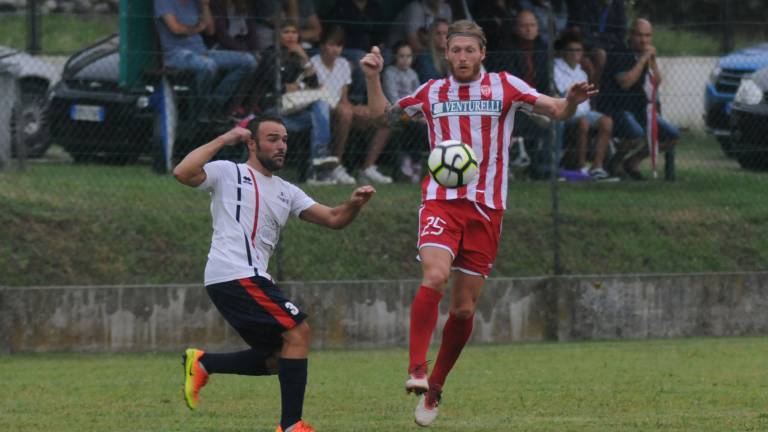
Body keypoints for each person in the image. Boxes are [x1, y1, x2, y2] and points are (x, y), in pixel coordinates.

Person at [359, 19, 596, 426]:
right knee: (434, 276)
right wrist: (373, 77)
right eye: (456, 51)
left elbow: (556, 110)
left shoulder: (505, 87)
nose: (463, 57)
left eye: (470, 50)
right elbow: (384, 117)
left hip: (487, 210)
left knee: (465, 310)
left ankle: (434, 387)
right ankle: (416, 368)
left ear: (482, 53)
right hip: (440, 203)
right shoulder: (432, 92)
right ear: (446, 54)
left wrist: (571, 101)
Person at [172, 114, 376, 432]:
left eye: (284, 140)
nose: (281, 146)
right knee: (299, 332)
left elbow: (334, 219)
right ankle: (292, 425)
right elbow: (183, 172)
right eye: (272, 139)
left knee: (280, 355)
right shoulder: (228, 171)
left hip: (249, 277)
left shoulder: (287, 191)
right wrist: (225, 139)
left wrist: (354, 204)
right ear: (252, 143)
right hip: (233, 272)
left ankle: (204, 363)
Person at [254, 20, 340, 184]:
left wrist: (304, 57)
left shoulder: (297, 57)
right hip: (272, 111)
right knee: (319, 117)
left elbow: (314, 84)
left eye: (294, 32)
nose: (291, 36)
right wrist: (299, 85)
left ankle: (318, 164)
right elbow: (275, 85)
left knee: (320, 106)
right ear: (278, 36)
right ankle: (317, 168)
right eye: (286, 32)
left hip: (293, 111)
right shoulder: (270, 55)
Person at [597, 18, 679, 180]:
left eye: (648, 36)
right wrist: (642, 60)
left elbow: (656, 82)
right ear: (631, 34)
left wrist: (653, 62)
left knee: (672, 136)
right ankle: (614, 163)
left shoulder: (646, 56)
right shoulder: (619, 52)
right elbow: (625, 82)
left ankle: (632, 162)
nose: (644, 40)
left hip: (640, 109)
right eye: (640, 35)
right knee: (635, 133)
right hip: (616, 108)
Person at [310, 26, 393, 184]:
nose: (335, 49)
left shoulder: (343, 64)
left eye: (339, 46)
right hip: (322, 110)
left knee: (385, 118)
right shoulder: (314, 64)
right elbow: (317, 96)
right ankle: (336, 166)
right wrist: (348, 109)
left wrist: (358, 109)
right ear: (322, 45)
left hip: (341, 107)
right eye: (331, 44)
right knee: (346, 113)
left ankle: (368, 168)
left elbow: (344, 98)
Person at [154, 0, 257, 123]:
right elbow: (176, 29)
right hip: (176, 54)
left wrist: (205, 5)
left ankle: (214, 103)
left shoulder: (194, 3)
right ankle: (202, 111)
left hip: (202, 51)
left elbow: (210, 30)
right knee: (208, 65)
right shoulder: (163, 2)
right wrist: (197, 28)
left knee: (248, 61)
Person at [553, 31, 613, 180]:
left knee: (607, 122)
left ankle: (597, 166)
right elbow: (563, 94)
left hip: (584, 111)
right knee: (583, 123)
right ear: (564, 52)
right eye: (571, 50)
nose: (575, 54)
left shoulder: (582, 72)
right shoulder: (555, 68)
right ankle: (581, 167)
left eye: (578, 50)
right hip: (568, 112)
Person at [383, 40, 426, 183]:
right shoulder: (389, 73)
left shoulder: (413, 74)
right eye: (402, 56)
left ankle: (414, 162)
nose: (405, 59)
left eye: (408, 56)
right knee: (415, 126)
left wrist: (418, 113)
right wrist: (411, 113)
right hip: (396, 113)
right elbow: (393, 98)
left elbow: (418, 96)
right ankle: (409, 161)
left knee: (423, 125)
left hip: (413, 113)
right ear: (395, 56)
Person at [566, 0, 627, 84]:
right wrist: (599, 38)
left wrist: (598, 36)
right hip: (589, 45)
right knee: (600, 55)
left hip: (609, 45)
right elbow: (584, 31)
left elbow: (621, 34)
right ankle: (594, 87)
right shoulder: (587, 5)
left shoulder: (618, 6)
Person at [388, 0, 453, 54]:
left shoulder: (446, 9)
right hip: (397, 55)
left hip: (430, 54)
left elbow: (447, 39)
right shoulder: (414, 8)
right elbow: (414, 43)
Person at [413, 18, 450, 82]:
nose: (442, 37)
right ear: (432, 35)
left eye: (445, 33)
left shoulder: (453, 56)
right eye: (438, 33)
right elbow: (427, 85)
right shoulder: (425, 57)